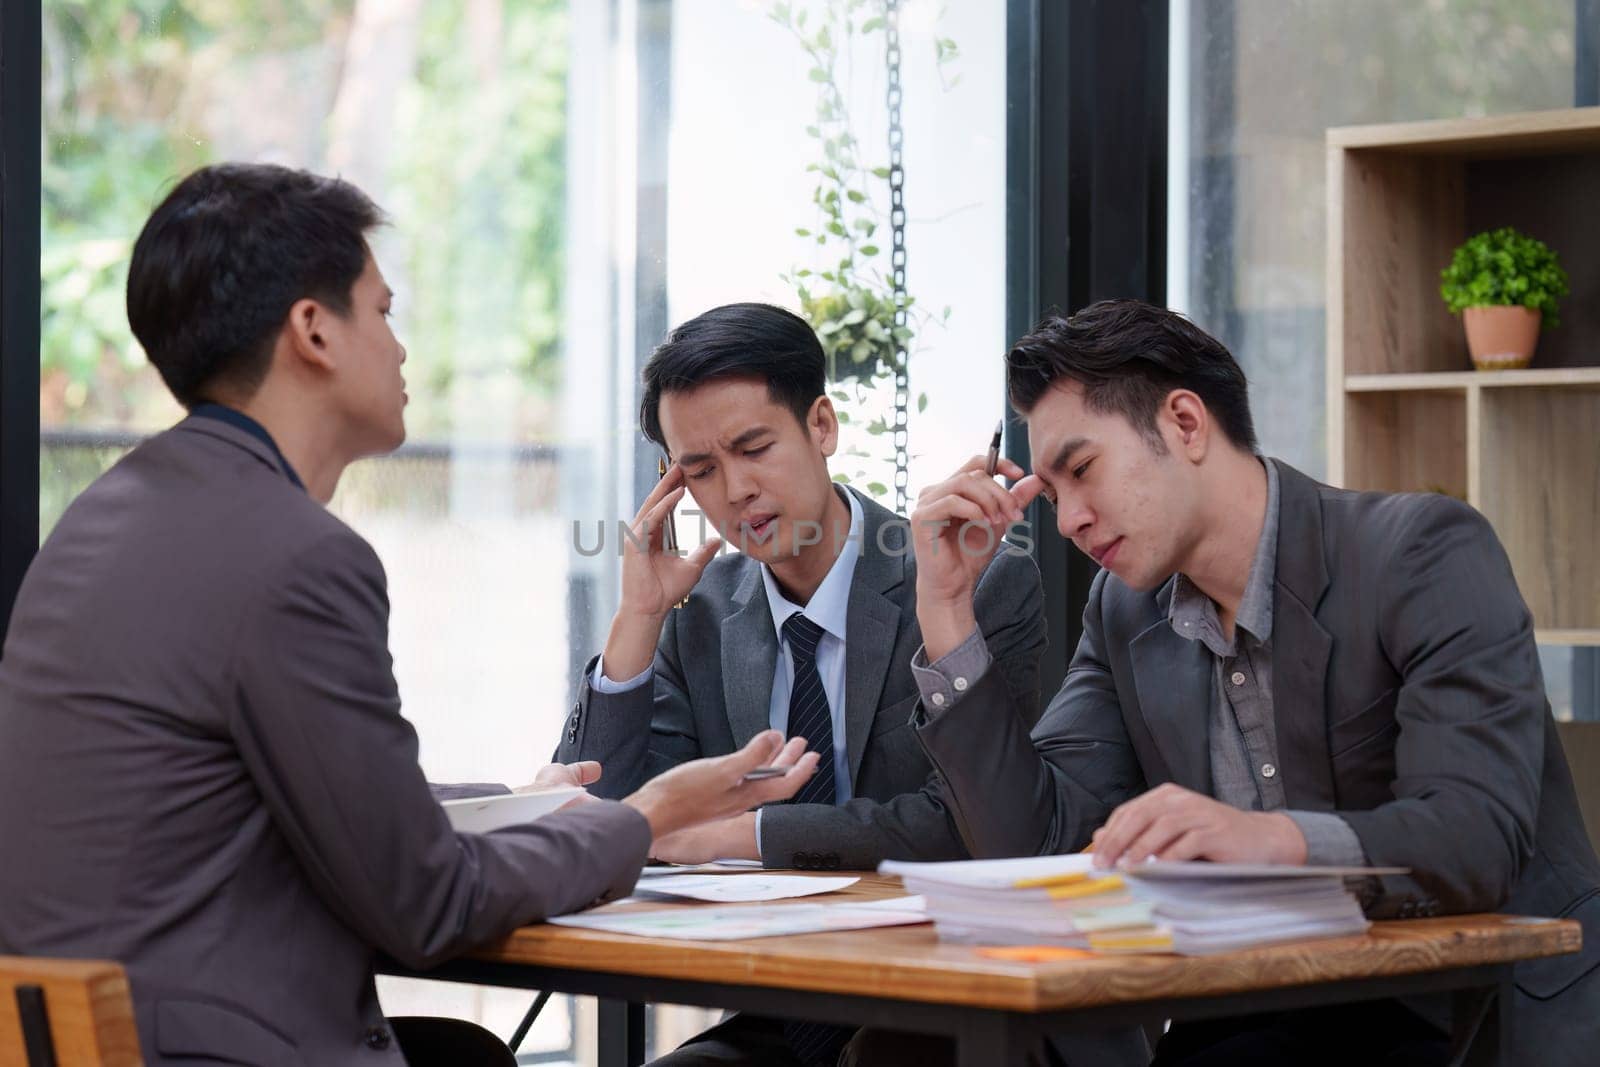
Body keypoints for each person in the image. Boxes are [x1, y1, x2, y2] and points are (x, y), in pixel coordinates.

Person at [0, 162, 819, 1067]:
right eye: (382, 312)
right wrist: (645, 815)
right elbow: (427, 903)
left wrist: (515, 806)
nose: (399, 349)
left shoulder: (100, 520)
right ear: (313, 330)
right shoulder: (294, 554)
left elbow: (281, 803)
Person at [888, 298, 1600, 1065]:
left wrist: (1266, 840)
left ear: (1186, 424)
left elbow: (1475, 837)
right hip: (1258, 1014)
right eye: (1054, 497)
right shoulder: (1126, 610)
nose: (1068, 522)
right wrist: (947, 609)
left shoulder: (1420, 553)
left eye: (1083, 470)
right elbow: (1036, 844)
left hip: (1464, 1014)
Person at [558, 303, 1152, 1066]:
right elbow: (606, 823)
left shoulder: (973, 585)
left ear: (822, 426)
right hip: (781, 1009)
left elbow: (960, 826)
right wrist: (638, 616)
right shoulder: (698, 612)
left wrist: (740, 835)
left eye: (753, 447)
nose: (735, 489)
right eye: (700, 470)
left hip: (954, 1001)